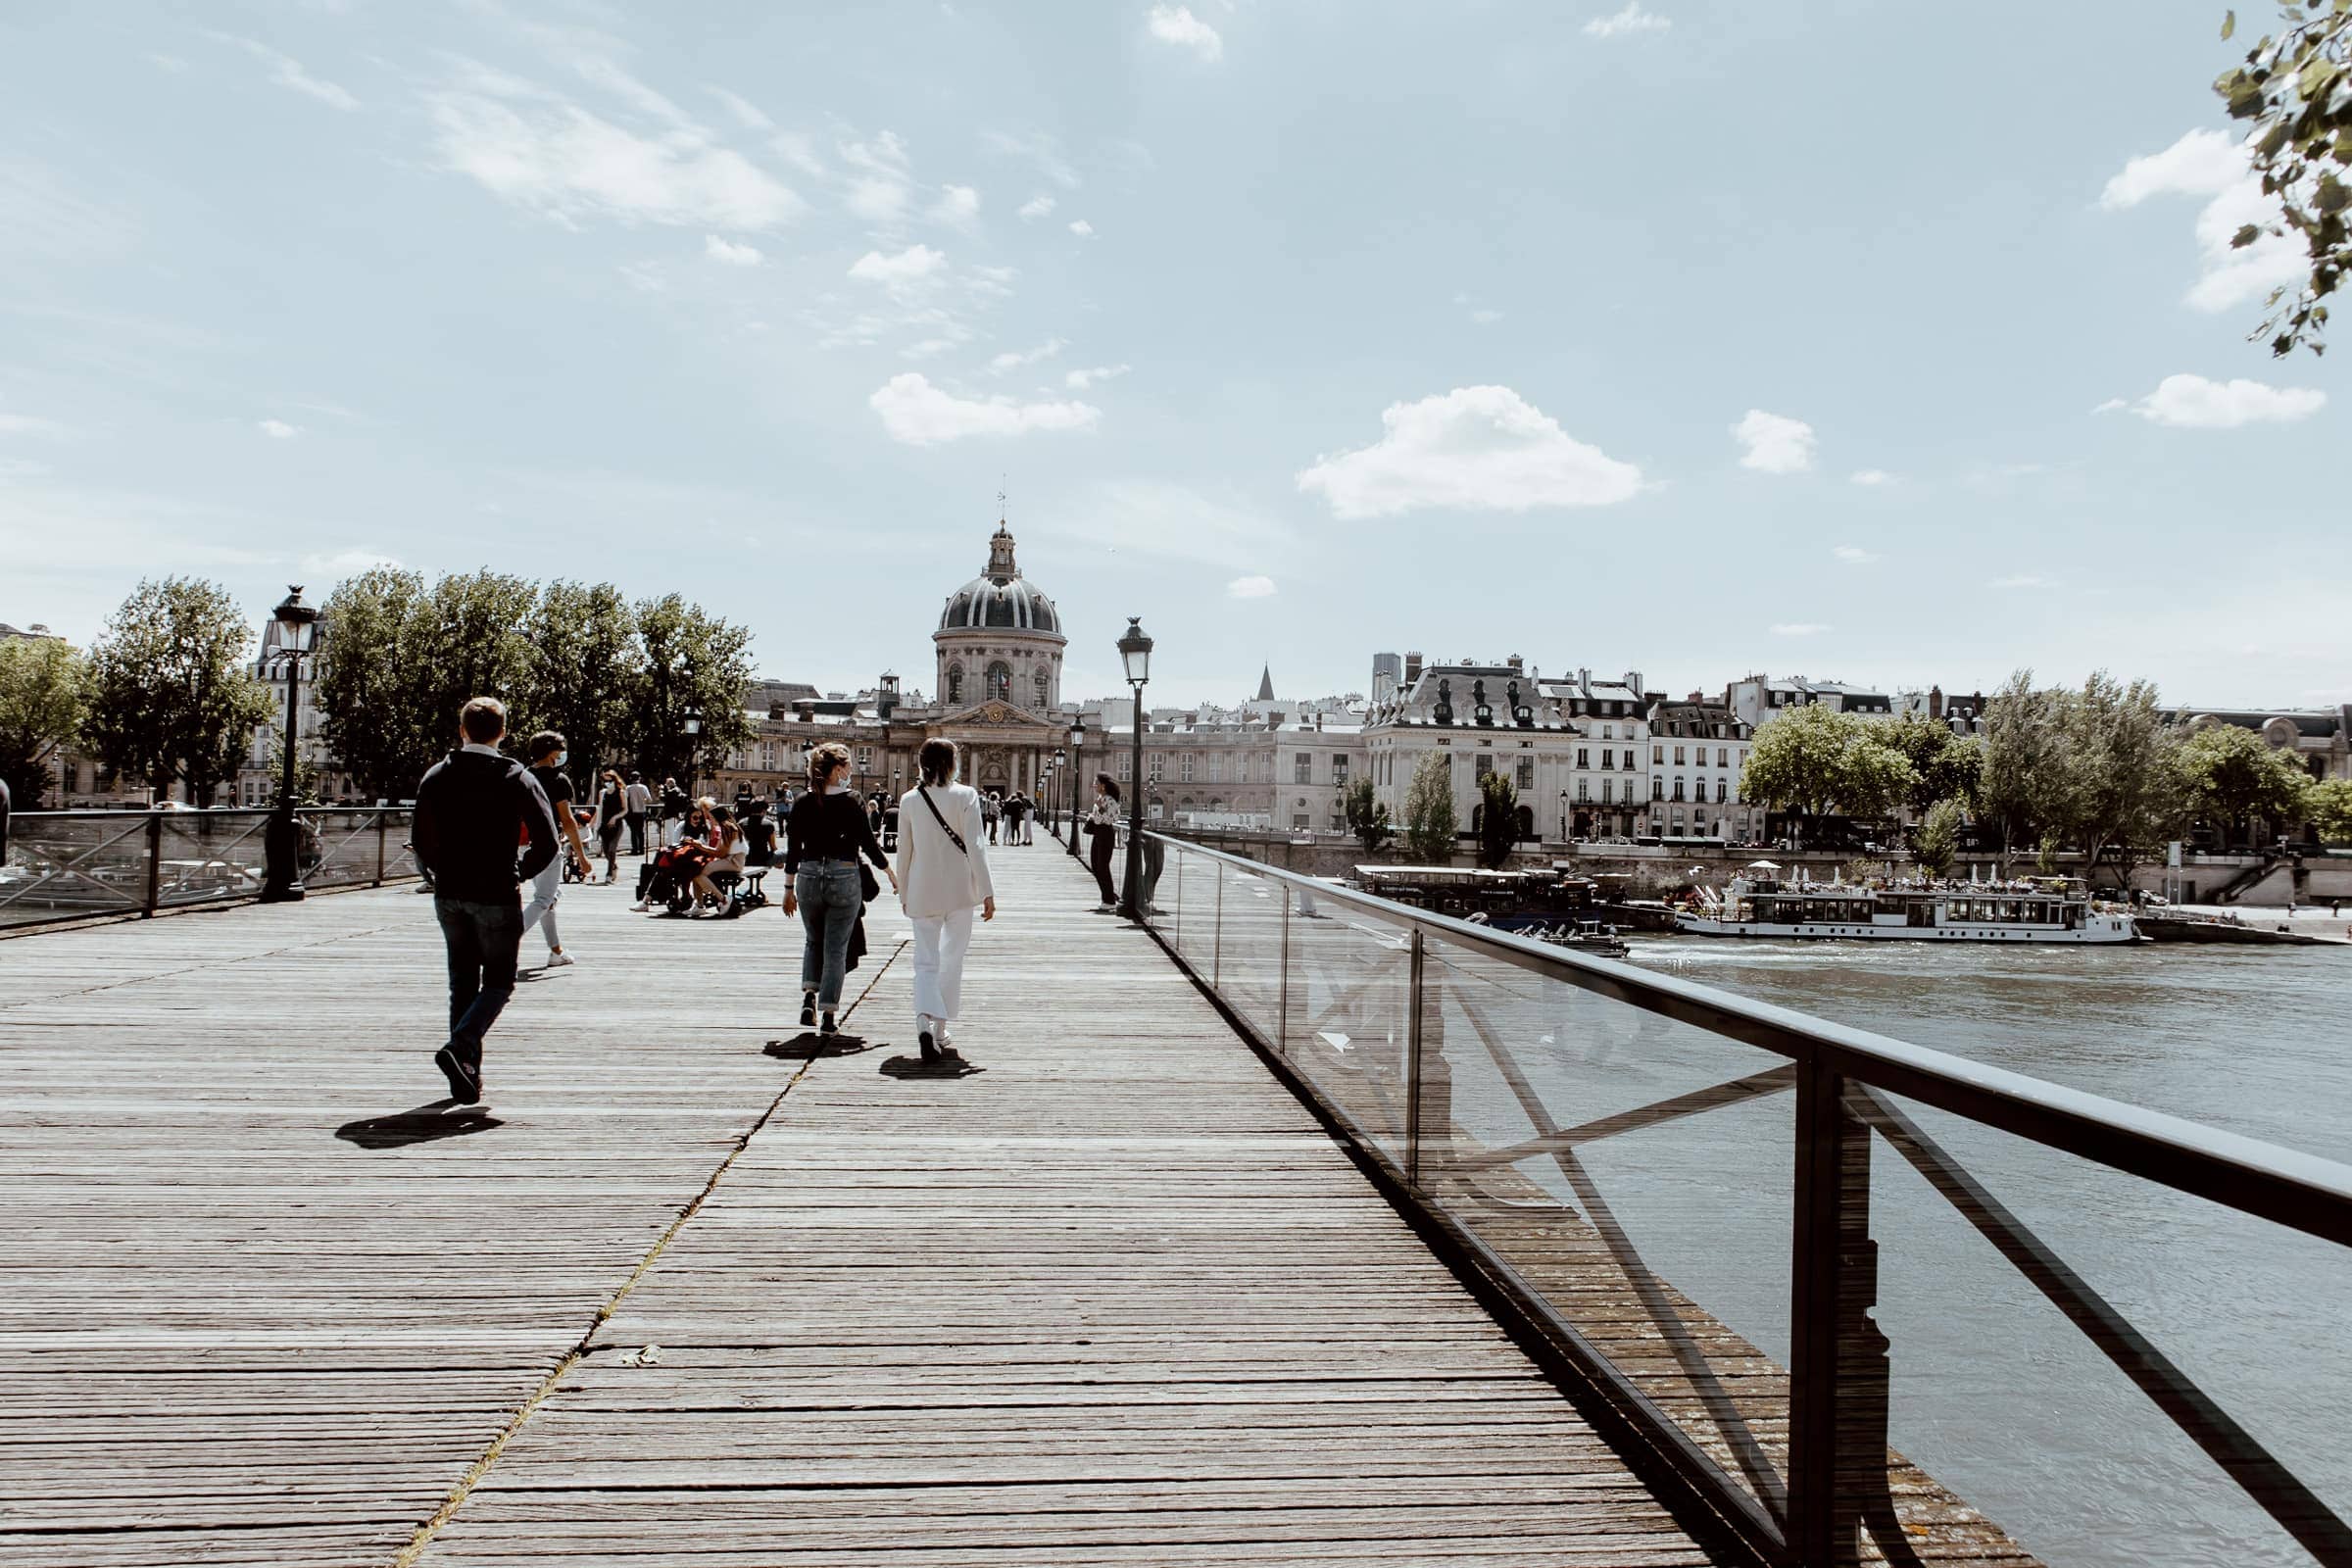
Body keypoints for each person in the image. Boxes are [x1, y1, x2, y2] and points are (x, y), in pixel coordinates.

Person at [410, 697, 558, 1104]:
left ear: (462, 731)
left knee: (462, 983)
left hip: (450, 892)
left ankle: (467, 1075)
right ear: (503, 732)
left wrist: (442, 869)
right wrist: (521, 871)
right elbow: (548, 841)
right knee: (498, 982)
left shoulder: (437, 775)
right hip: (496, 891)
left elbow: (421, 838)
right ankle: (461, 1048)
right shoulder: (516, 776)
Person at [783, 742, 897, 1036]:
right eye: (847, 766)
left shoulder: (802, 801)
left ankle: (809, 997)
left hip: (808, 876)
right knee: (835, 948)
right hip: (843, 875)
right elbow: (868, 843)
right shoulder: (852, 800)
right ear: (836, 769)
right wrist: (889, 872)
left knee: (813, 941)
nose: (851, 771)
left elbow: (793, 849)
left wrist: (788, 888)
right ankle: (828, 1015)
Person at [896, 739, 996, 1063]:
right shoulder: (966, 795)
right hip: (959, 891)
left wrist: (904, 892)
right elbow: (976, 845)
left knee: (925, 961)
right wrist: (987, 891)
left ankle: (922, 1023)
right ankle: (940, 1029)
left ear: (921, 763)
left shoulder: (909, 800)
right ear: (953, 763)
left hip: (922, 890)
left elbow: (904, 852)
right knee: (952, 959)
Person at [520, 732, 591, 968]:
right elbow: (568, 820)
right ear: (552, 752)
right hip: (547, 845)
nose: (562, 754)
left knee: (548, 897)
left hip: (522, 845)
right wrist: (582, 856)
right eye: (560, 750)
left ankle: (556, 951)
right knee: (544, 899)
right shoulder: (559, 780)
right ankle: (507, 937)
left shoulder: (522, 776)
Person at [689, 804, 745, 915]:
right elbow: (720, 851)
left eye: (711, 818)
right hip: (733, 860)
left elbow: (720, 853)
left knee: (696, 872)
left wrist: (700, 846)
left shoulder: (727, 828)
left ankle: (723, 899)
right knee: (695, 870)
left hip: (733, 862)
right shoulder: (730, 826)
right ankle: (699, 905)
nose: (710, 820)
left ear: (717, 818)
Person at [1085, 774, 1122, 910]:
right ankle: (1107, 897)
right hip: (1098, 833)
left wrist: (1099, 809)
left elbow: (1112, 818)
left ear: (1103, 786)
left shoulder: (1110, 800)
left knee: (1102, 867)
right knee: (1096, 865)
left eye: (1096, 783)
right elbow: (1098, 817)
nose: (1094, 785)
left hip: (1105, 833)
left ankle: (1109, 900)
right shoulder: (1101, 798)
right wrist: (1092, 816)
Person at [594, 769, 626, 883]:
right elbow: (600, 809)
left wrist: (615, 817)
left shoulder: (621, 792)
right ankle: (614, 866)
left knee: (612, 849)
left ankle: (608, 874)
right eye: (605, 781)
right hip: (604, 825)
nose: (607, 783)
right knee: (606, 851)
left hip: (616, 825)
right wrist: (594, 824)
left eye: (610, 780)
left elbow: (625, 810)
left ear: (615, 780)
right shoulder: (602, 793)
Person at [623, 771, 652, 856]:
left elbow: (625, 798)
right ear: (639, 778)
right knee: (641, 831)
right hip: (642, 811)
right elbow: (649, 799)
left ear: (631, 778)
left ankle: (635, 849)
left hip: (632, 812)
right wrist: (643, 801)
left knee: (633, 831)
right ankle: (642, 849)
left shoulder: (628, 788)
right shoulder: (643, 787)